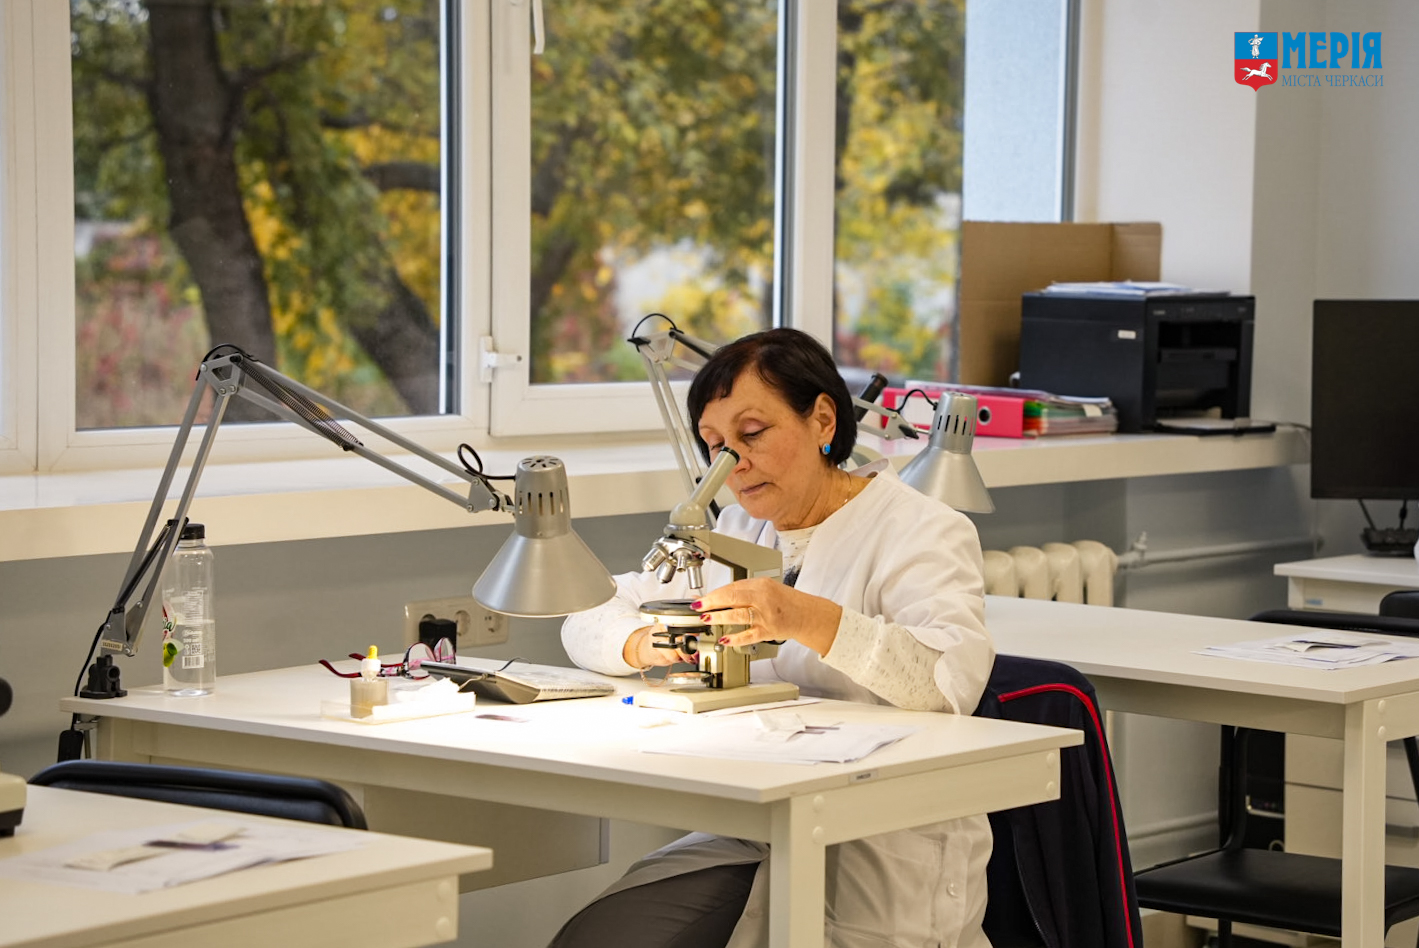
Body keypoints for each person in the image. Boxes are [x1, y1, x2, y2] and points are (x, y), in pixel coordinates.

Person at [555, 328, 995, 948]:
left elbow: (946, 684)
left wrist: (805, 618)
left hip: (882, 836)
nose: (732, 465)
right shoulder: (738, 529)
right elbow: (587, 611)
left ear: (822, 420)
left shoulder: (923, 530)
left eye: (752, 434)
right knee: (602, 936)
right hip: (755, 820)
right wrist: (647, 641)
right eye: (715, 446)